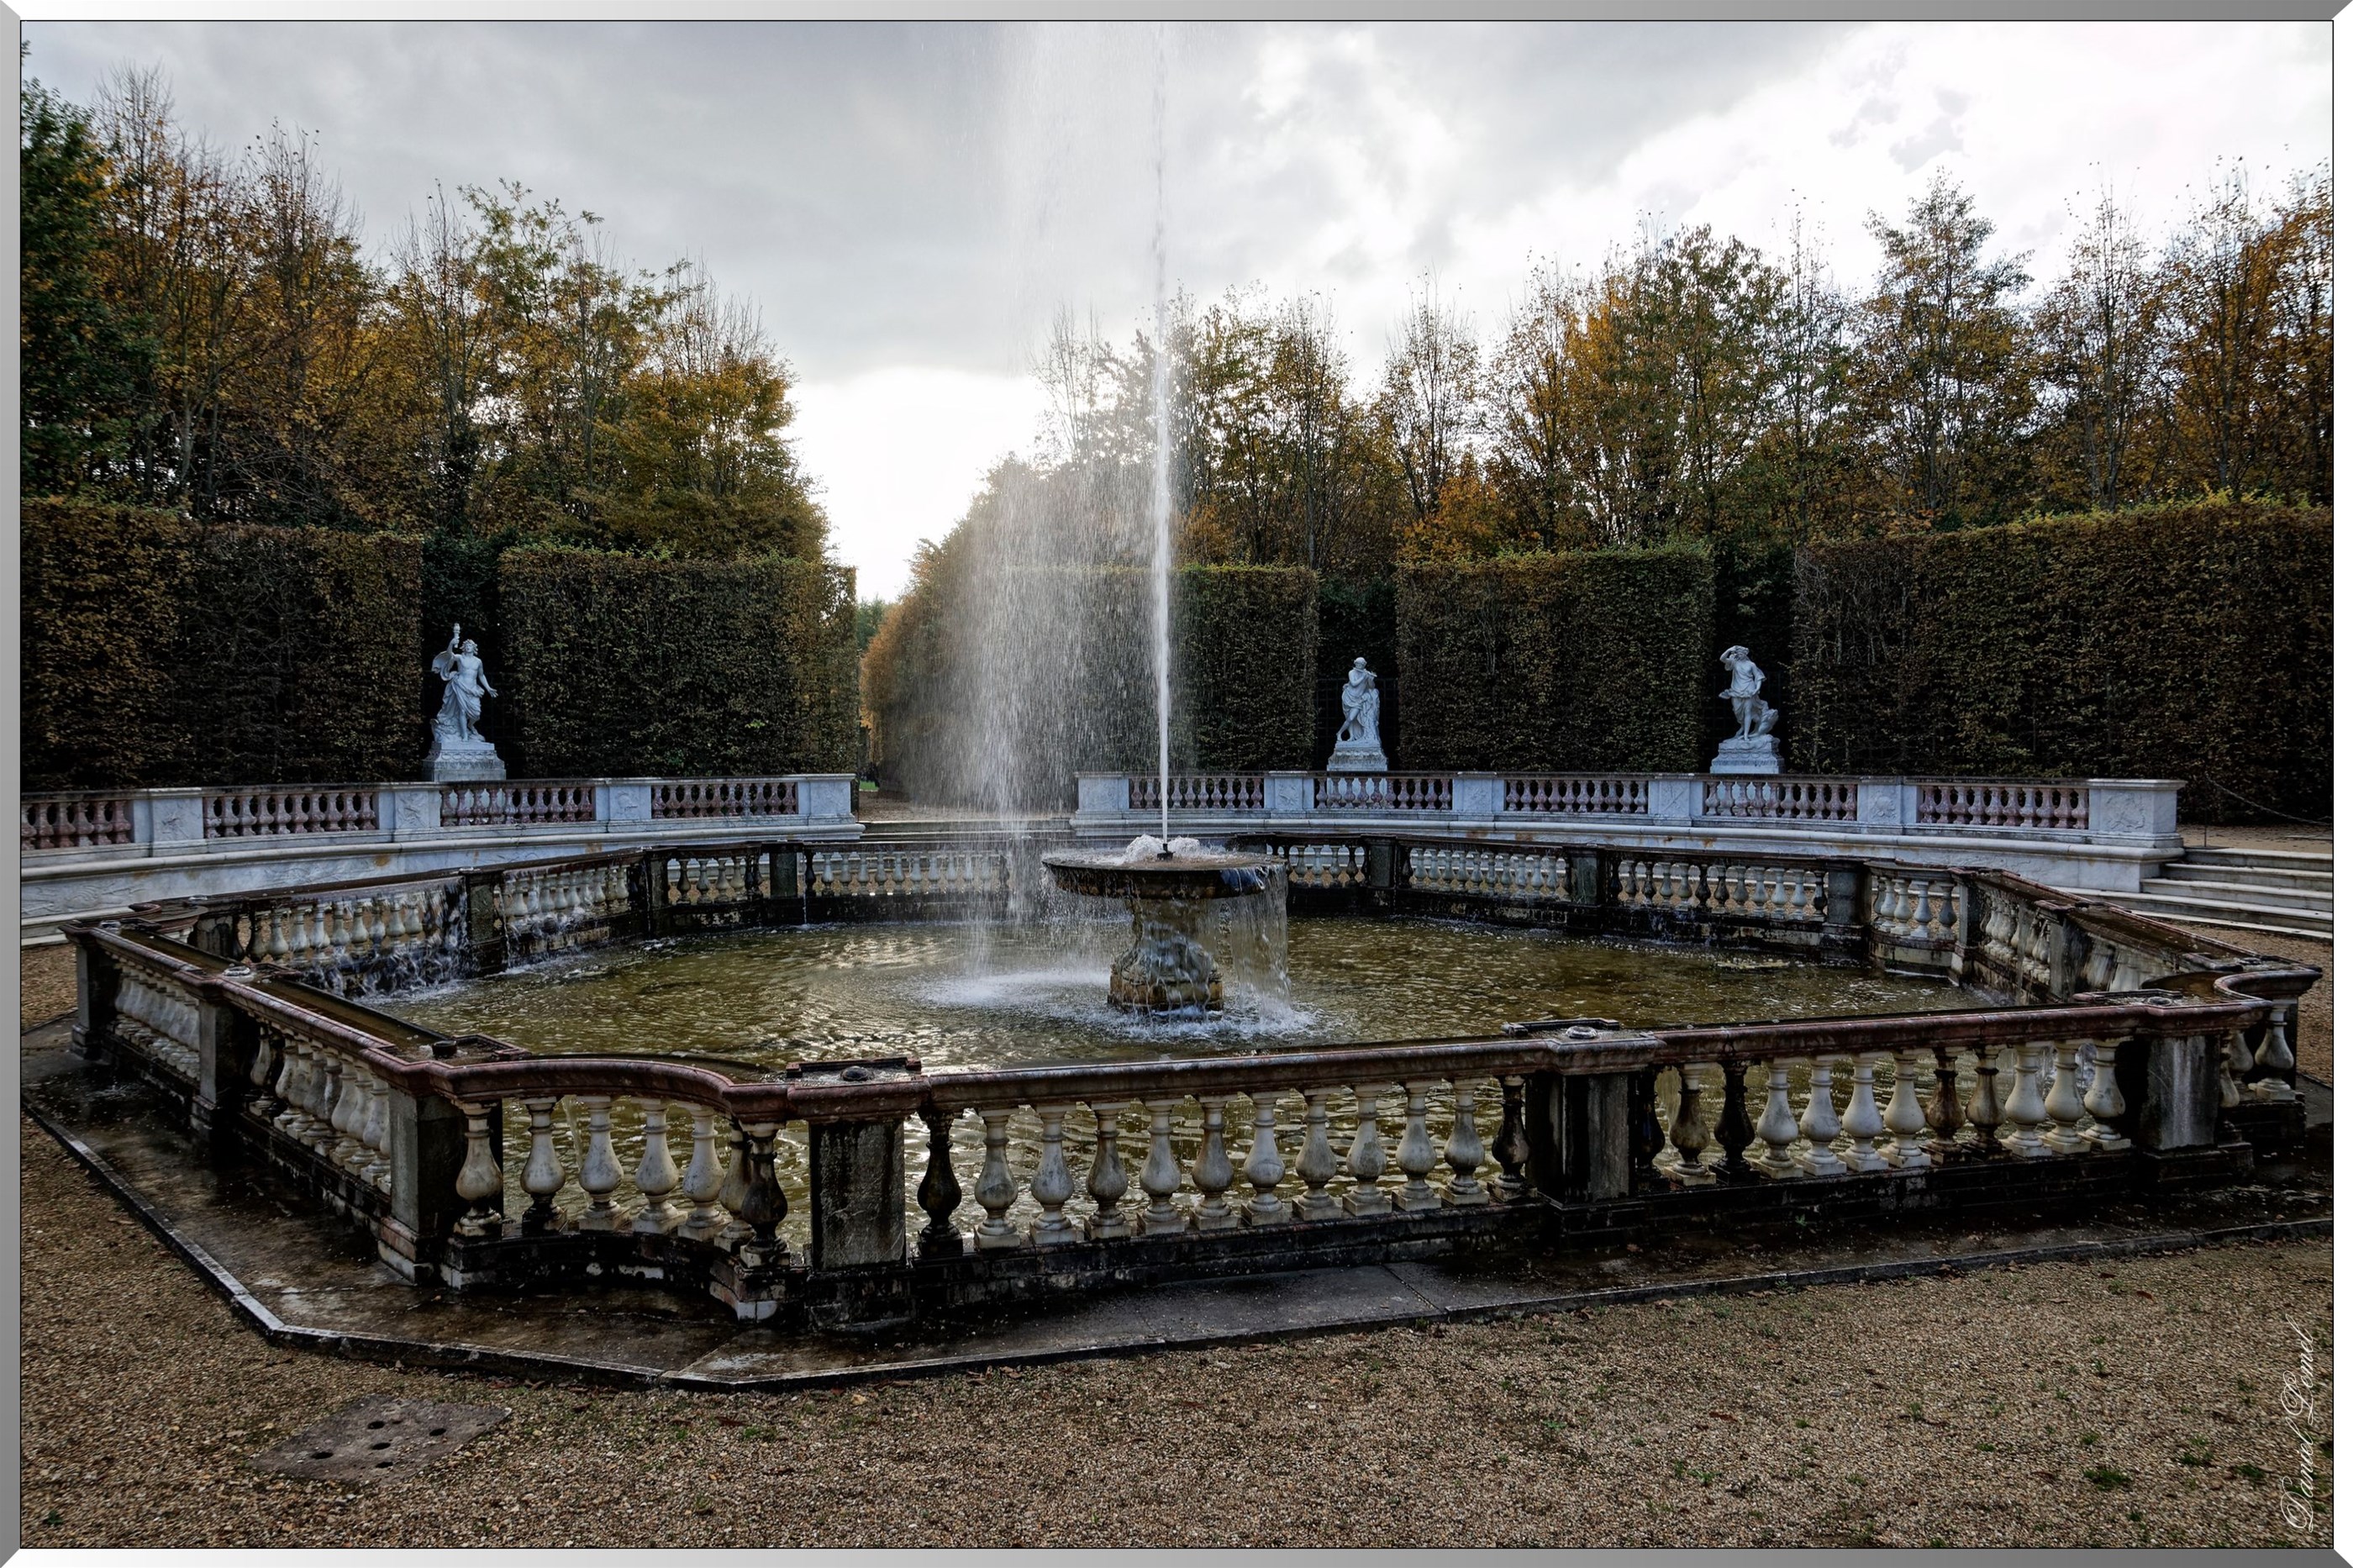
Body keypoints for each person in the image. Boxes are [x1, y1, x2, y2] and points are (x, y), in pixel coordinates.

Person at [433, 624, 497, 744]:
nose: (468, 647)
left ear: (474, 648)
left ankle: (470, 725)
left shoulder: (478, 661)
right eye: (466, 646)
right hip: (461, 686)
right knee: (462, 711)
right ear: (464, 647)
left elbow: (481, 675)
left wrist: (488, 688)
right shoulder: (460, 658)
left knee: (476, 714)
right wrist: (451, 644)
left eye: (470, 646)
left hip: (473, 689)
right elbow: (450, 655)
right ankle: (464, 736)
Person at [1719, 645, 1777, 739]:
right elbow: (1722, 659)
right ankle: (1743, 726)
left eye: (1741, 654)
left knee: (1748, 711)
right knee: (1737, 711)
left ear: (1745, 654)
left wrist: (1757, 689)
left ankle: (1746, 735)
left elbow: (1758, 677)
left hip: (1749, 689)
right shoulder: (1734, 662)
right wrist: (1729, 650)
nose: (1739, 655)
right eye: (1738, 654)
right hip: (1736, 690)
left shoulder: (1751, 664)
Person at [1338, 658, 1380, 746]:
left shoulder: (1366, 674)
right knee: (1349, 718)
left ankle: (1339, 733)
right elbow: (1353, 683)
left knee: (1351, 718)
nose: (1358, 666)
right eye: (1357, 665)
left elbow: (1371, 686)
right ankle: (1350, 736)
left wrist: (1371, 679)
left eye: (1360, 665)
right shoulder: (1351, 672)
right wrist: (1363, 677)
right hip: (1349, 697)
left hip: (1358, 699)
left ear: (1364, 665)